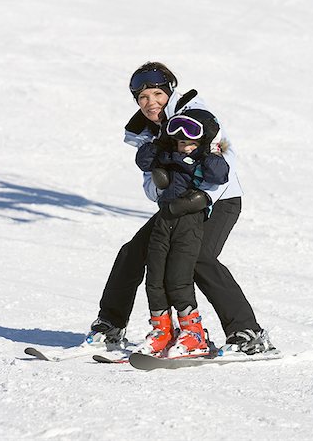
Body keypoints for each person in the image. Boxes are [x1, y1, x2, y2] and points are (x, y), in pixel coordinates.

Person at [88, 61, 276, 356]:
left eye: (156, 95)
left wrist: (202, 198)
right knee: (132, 252)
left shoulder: (197, 116)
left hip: (219, 201)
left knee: (199, 257)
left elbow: (226, 162)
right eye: (143, 98)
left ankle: (248, 333)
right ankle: (109, 328)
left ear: (169, 92)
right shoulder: (146, 134)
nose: (151, 103)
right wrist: (162, 182)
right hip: (176, 207)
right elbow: (151, 190)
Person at [134, 110, 229, 357]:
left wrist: (211, 150)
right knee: (154, 277)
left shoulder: (206, 160)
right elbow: (143, 160)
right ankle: (162, 332)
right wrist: (158, 142)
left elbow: (220, 175)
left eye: (192, 142)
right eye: (181, 141)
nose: (186, 147)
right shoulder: (166, 155)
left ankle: (194, 334)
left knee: (178, 277)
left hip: (189, 222)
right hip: (164, 220)